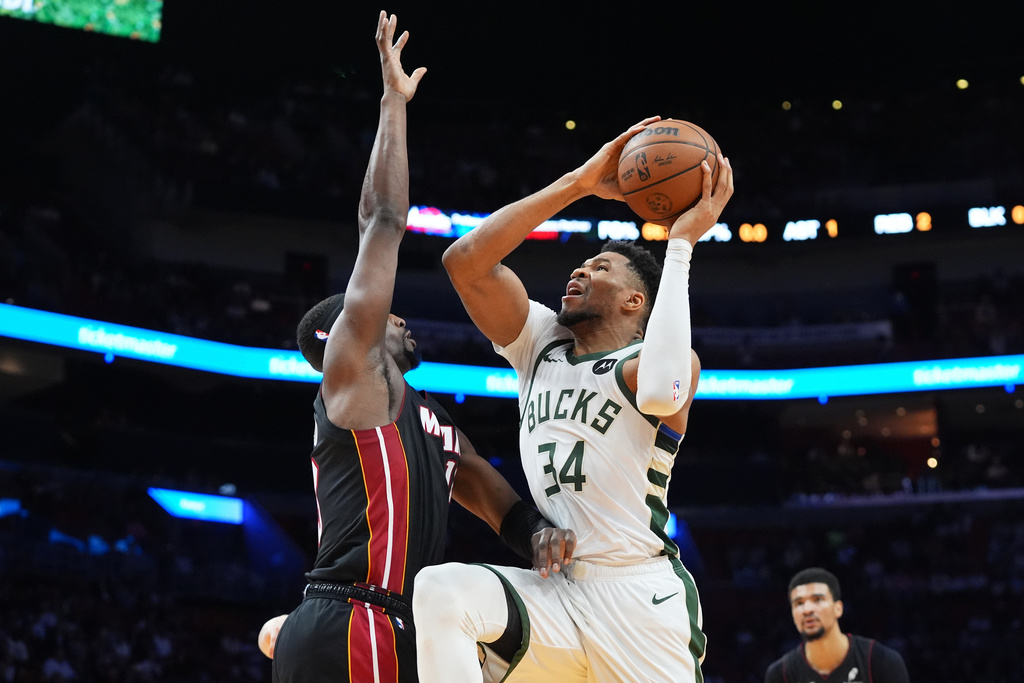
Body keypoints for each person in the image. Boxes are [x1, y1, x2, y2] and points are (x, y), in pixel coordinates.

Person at [268, 12, 563, 683]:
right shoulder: (352, 381)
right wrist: (392, 107)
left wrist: (529, 531)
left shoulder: (421, 415)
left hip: (399, 623)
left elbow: (477, 481)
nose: (397, 316)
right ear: (343, 336)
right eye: (381, 315)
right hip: (355, 617)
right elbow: (382, 221)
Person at [413, 118, 735, 682]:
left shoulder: (659, 365)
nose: (580, 269)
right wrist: (577, 183)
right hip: (556, 594)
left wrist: (681, 242)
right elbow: (465, 264)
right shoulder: (540, 342)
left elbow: (662, 390)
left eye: (600, 268)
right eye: (581, 264)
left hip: (641, 599)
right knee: (442, 589)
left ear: (637, 300)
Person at [764, 567, 910, 683]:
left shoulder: (881, 661)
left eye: (817, 599)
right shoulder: (780, 674)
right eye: (799, 603)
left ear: (838, 608)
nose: (807, 610)